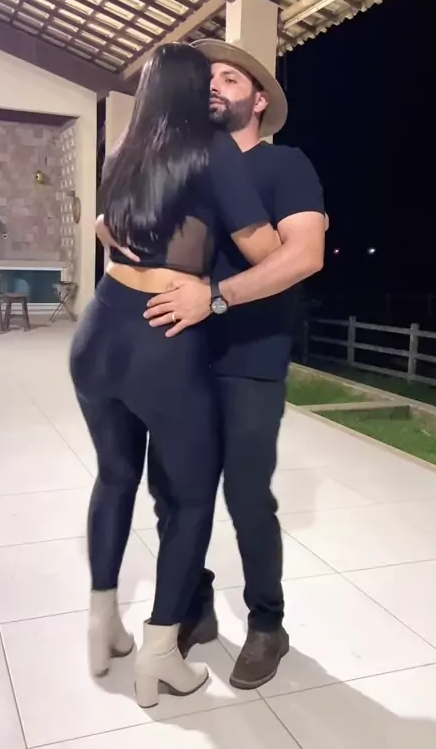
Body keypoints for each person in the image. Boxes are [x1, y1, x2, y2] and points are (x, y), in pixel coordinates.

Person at [70, 42, 281, 708]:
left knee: (114, 477)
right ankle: (160, 652)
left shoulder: (126, 149)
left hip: (99, 329)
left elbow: (104, 225)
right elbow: (266, 250)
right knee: (192, 497)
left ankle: (102, 622)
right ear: (192, 91)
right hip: (162, 338)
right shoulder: (213, 151)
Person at [142, 39, 326, 690]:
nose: (214, 85)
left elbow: (304, 256)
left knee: (247, 496)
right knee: (171, 491)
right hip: (179, 358)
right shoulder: (187, 168)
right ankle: (194, 605)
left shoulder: (286, 165)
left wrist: (215, 297)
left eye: (230, 77)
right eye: (208, 78)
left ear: (259, 99)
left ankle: (267, 623)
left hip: (252, 356)